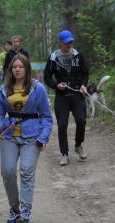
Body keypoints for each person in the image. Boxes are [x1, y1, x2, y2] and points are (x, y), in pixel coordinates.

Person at [0, 54, 53, 223]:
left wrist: (43, 137)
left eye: (20, 66)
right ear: (11, 70)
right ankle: (14, 208)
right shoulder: (4, 89)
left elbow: (47, 117)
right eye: (14, 67)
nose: (17, 69)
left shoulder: (38, 88)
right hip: (8, 134)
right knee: (8, 171)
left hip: (32, 136)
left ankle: (25, 211)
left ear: (26, 69)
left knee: (26, 171)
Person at [44, 29, 89, 166]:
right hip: (62, 96)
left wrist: (83, 85)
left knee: (81, 121)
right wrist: (56, 85)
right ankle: (64, 154)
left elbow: (85, 73)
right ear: (60, 42)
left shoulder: (78, 55)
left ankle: (78, 145)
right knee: (62, 125)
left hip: (77, 93)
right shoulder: (53, 58)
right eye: (66, 42)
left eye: (70, 42)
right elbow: (47, 77)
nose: (69, 45)